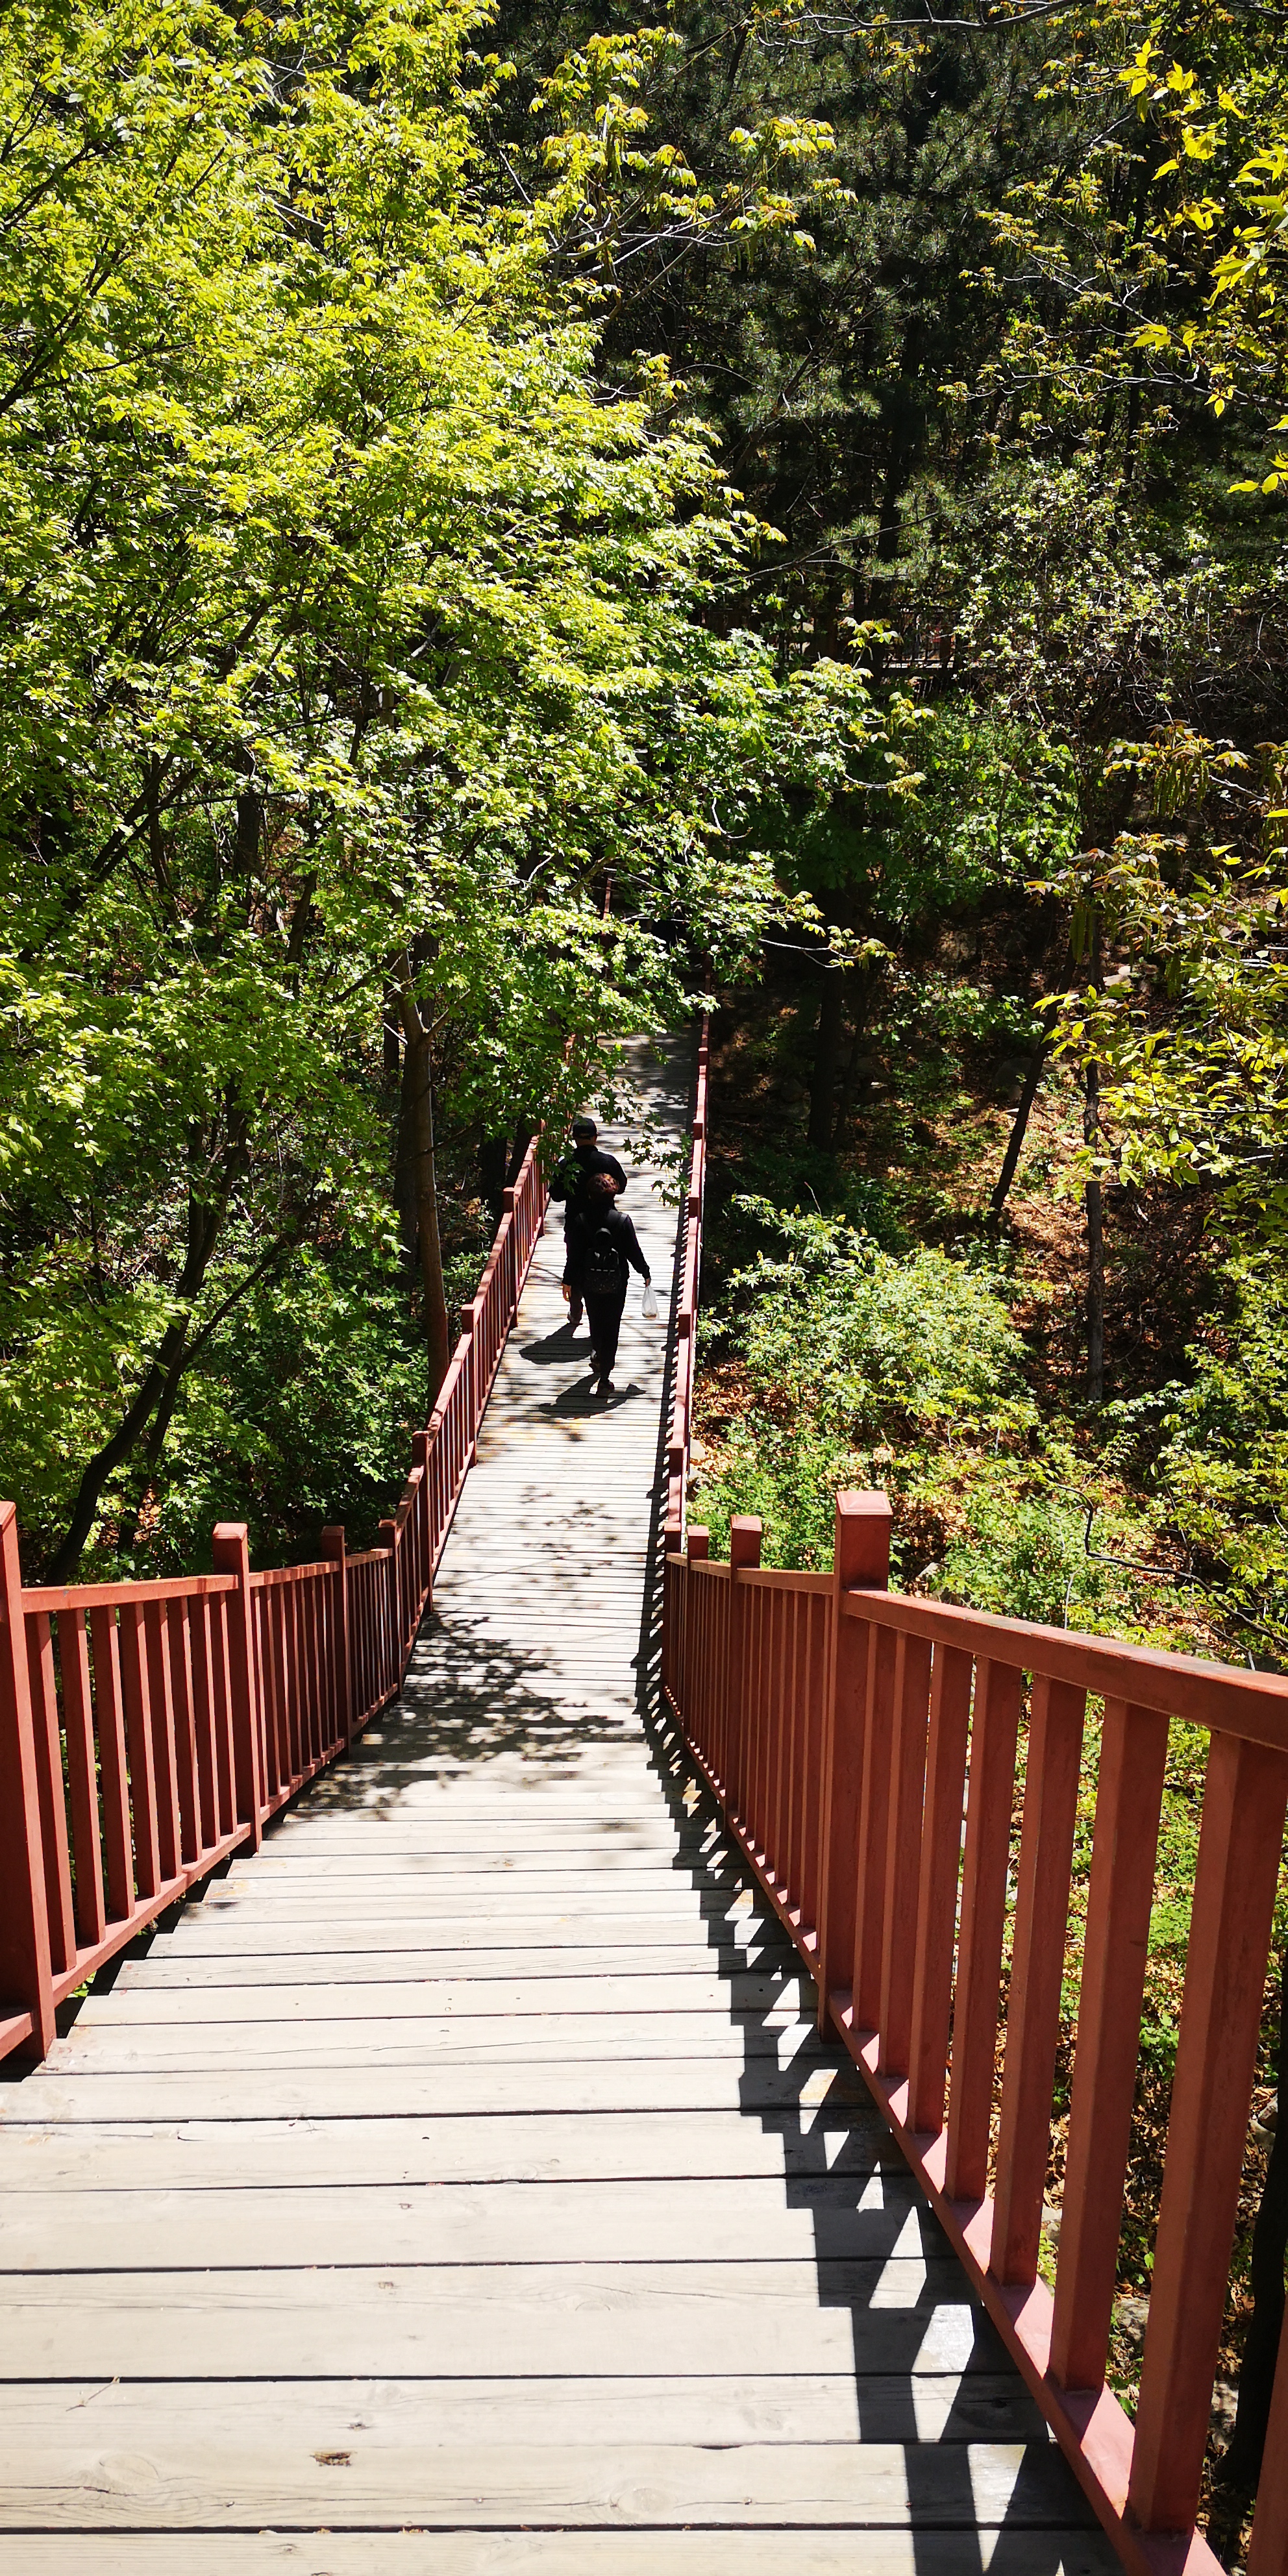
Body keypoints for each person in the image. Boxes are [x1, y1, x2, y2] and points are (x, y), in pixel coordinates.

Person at [564, 1170, 650, 1396]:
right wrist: (645, 1272)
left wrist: (568, 1281)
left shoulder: (580, 1220)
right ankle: (605, 1379)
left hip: (588, 1282)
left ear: (590, 1196)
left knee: (595, 1318)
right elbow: (633, 1251)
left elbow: (574, 1255)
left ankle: (598, 1354)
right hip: (617, 1282)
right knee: (612, 1324)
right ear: (614, 1195)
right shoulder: (622, 1221)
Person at [551, 1116, 628, 1329]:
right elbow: (622, 1185)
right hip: (607, 1222)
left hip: (575, 1223)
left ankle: (576, 1312)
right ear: (595, 1137)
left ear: (574, 1138)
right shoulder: (607, 1162)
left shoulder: (566, 1163)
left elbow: (556, 1195)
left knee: (575, 1262)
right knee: (607, 1263)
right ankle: (604, 1308)